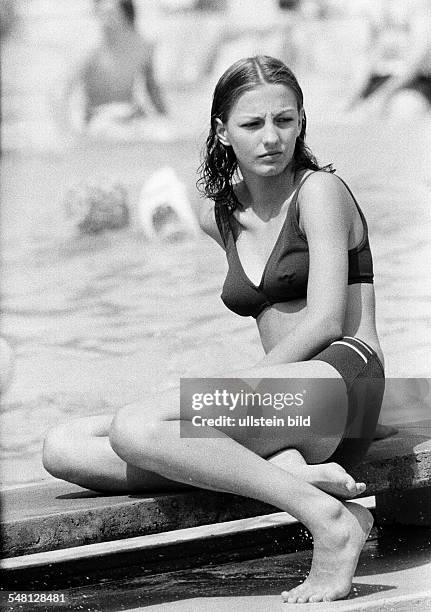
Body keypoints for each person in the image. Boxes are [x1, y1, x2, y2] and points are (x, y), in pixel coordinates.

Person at [44, 56, 387, 603]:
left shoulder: (321, 192)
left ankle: (330, 521)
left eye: (286, 120)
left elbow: (324, 319)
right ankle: (290, 472)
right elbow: (158, 204)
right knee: (64, 447)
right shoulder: (220, 213)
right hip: (285, 406)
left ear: (302, 122)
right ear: (222, 132)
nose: (272, 138)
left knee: (138, 426)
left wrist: (234, 385)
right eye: (253, 124)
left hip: (342, 386)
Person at [55, 0, 167, 134]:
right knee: (118, 133)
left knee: (164, 133)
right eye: (102, 14)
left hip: (133, 114)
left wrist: (166, 118)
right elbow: (62, 93)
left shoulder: (142, 47)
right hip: (100, 116)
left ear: (124, 17)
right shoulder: (89, 50)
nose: (105, 20)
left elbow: (152, 89)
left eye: (111, 14)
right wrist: (68, 131)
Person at [345, 0, 431, 117]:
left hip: (416, 82)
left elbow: (415, 62)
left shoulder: (420, 7)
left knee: (404, 107)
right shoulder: (370, 8)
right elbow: (364, 59)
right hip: (378, 80)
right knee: (355, 116)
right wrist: (351, 101)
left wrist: (381, 97)